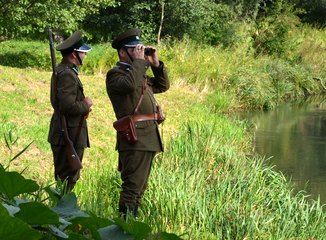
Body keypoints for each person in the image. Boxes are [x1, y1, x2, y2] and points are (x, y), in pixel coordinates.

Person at [106, 28, 170, 218]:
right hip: (134, 138)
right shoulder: (115, 75)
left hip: (148, 137)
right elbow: (128, 85)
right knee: (132, 187)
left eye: (139, 49)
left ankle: (130, 227)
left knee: (140, 188)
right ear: (122, 52)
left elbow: (162, 86)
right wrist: (141, 63)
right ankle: (123, 229)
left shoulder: (137, 74)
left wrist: (156, 65)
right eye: (134, 50)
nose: (139, 53)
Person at [48, 30, 93, 192]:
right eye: (83, 53)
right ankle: (61, 215)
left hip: (69, 131)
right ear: (74, 54)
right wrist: (86, 104)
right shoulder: (67, 74)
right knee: (67, 180)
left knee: (67, 179)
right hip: (68, 133)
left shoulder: (65, 71)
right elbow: (67, 106)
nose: (85, 56)